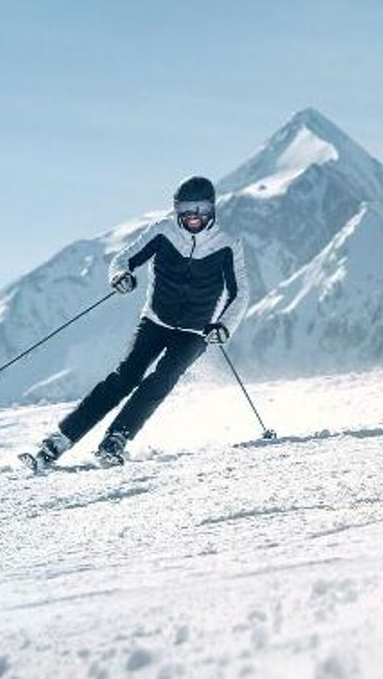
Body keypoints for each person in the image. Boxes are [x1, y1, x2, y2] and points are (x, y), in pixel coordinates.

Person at [23, 175, 246, 470]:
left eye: (201, 208)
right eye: (186, 208)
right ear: (176, 209)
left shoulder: (227, 245)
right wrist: (121, 276)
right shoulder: (163, 231)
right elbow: (123, 259)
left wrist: (223, 326)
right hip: (156, 321)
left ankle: (115, 439)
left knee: (163, 379)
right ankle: (59, 439)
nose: (194, 216)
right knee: (125, 377)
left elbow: (239, 291)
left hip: (195, 331)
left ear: (212, 208)